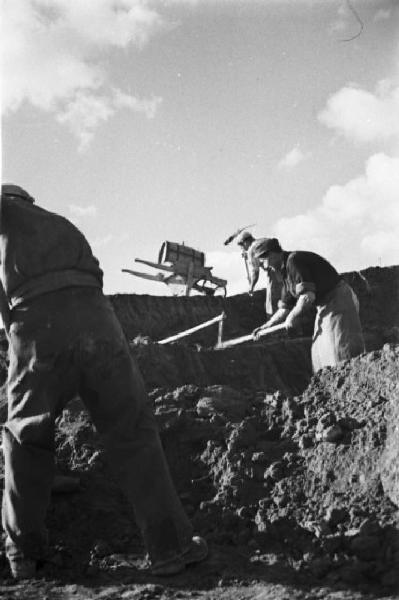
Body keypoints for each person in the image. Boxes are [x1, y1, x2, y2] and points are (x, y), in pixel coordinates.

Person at [0, 184, 207, 579]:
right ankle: (172, 548)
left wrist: (14, 330)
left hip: (39, 325)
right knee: (134, 430)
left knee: (27, 436)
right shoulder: (61, 223)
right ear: (30, 200)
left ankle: (24, 553)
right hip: (99, 320)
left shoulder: (5, 216)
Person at [251, 238, 365, 372]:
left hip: (339, 300)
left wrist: (291, 317)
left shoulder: (293, 261)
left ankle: (352, 376)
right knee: (319, 350)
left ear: (272, 254)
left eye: (263, 261)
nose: (264, 267)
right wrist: (266, 326)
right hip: (324, 306)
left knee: (339, 346)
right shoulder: (284, 272)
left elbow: (307, 296)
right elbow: (285, 308)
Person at [236, 231, 282, 317]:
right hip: (284, 269)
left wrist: (251, 287)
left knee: (271, 302)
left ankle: (273, 322)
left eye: (242, 246)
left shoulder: (251, 250)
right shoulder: (263, 240)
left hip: (274, 273)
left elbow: (255, 273)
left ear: (245, 242)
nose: (243, 248)